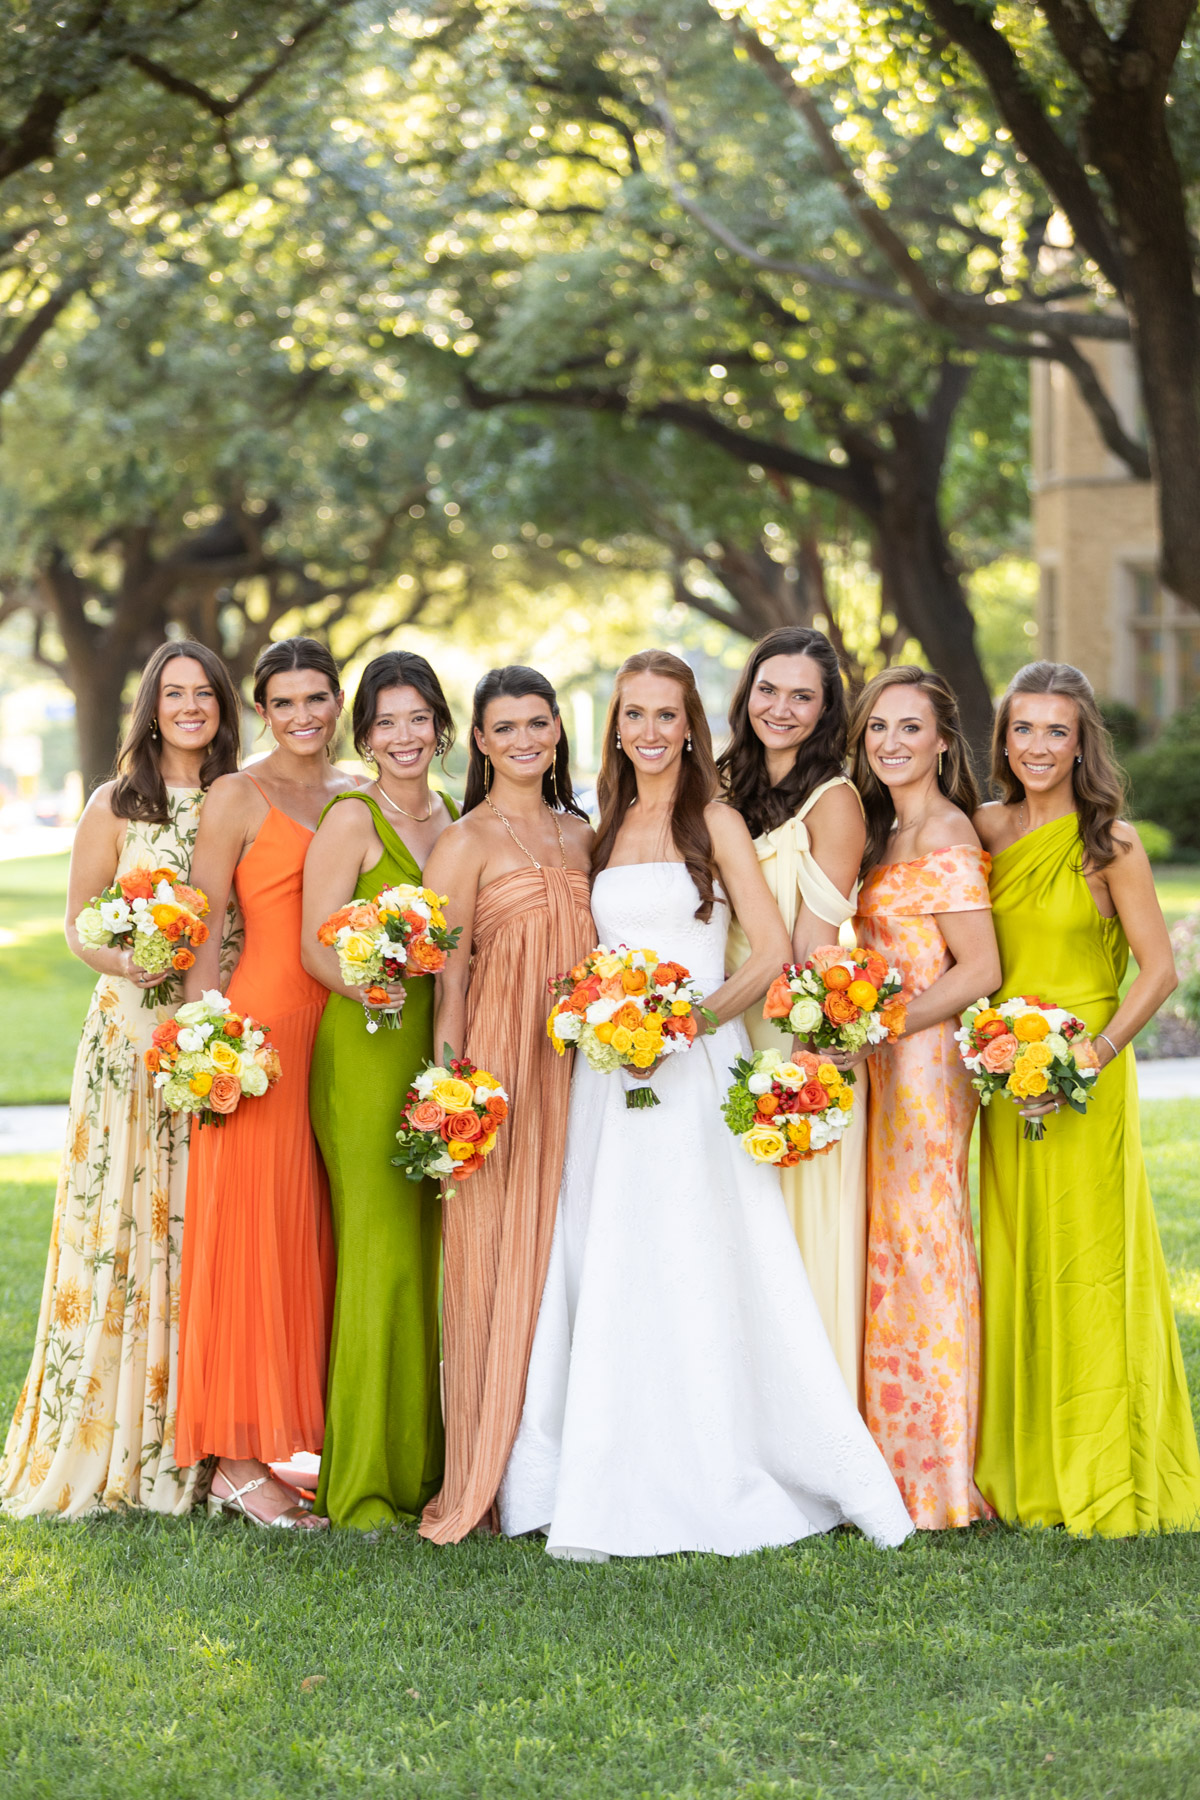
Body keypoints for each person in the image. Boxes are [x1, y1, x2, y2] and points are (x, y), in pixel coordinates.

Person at [499, 650, 915, 1559]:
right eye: (633, 714)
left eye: (667, 714)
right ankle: (603, 1457)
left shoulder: (715, 818)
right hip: (609, 1077)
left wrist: (685, 1024)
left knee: (704, 1251)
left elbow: (767, 952)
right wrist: (604, 1020)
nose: (649, 731)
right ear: (614, 727)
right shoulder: (601, 825)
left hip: (694, 1064)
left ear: (691, 726)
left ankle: (728, 1454)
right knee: (610, 1251)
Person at [1, 641, 241, 1518]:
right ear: (151, 707)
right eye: (173, 693)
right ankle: (110, 1438)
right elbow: (77, 925)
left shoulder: (241, 796)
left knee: (199, 1226)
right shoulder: (115, 802)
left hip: (218, 1040)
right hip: (130, 1037)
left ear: (223, 705)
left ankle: (205, 1437)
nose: (190, 707)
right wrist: (130, 960)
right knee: (125, 1223)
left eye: (204, 692)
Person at [973, 661, 1200, 1536]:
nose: (1037, 746)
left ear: (1081, 744)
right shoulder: (986, 829)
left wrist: (1090, 1059)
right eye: (1023, 729)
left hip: (1084, 1078)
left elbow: (1160, 970)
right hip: (1001, 1076)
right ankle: (1024, 1465)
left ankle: (1102, 1462)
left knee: (1089, 1262)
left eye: (1055, 731)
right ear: (1004, 741)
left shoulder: (1113, 844)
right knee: (1018, 1255)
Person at [177, 636, 357, 1529]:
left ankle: (301, 1439)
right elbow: (203, 926)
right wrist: (208, 1042)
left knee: (317, 1236)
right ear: (261, 711)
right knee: (250, 1236)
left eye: (316, 698)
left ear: (338, 703)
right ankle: (236, 1464)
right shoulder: (237, 795)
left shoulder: (359, 793)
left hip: (346, 1033)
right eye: (283, 702)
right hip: (261, 1037)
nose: (301, 716)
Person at [418, 666, 595, 1545]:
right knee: (491, 1262)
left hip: (583, 1071)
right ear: (481, 743)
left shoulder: (585, 834)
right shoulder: (465, 842)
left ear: (557, 730)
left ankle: (562, 1467)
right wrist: (453, 1098)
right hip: (499, 1069)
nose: (524, 739)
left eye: (537, 723)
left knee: (567, 1257)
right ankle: (485, 1474)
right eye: (505, 727)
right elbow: (447, 987)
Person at [301, 651, 458, 1530]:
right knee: (378, 1254)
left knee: (425, 1255)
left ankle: (420, 1467)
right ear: (364, 735)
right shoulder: (352, 817)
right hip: (365, 1051)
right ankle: (361, 1484)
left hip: (436, 1051)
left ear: (440, 726)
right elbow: (313, 945)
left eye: (417, 718)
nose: (404, 736)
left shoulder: (453, 816)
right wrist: (369, 990)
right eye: (386, 721)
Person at [848, 667, 1000, 1530]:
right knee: (890, 1243)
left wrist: (889, 1023)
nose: (892, 743)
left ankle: (939, 1471)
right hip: (880, 1055)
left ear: (944, 741)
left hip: (927, 1063)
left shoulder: (944, 828)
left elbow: (980, 969)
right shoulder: (883, 830)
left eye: (910, 727)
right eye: (879, 727)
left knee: (926, 1240)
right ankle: (889, 1450)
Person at [721, 626, 869, 1403]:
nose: (780, 708)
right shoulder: (720, 786)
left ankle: (811, 1417)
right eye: (768, 690)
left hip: (792, 1045)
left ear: (825, 710)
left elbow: (815, 949)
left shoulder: (834, 801)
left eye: (801, 696)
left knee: (799, 1238)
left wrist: (805, 1072)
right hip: (719, 1034)